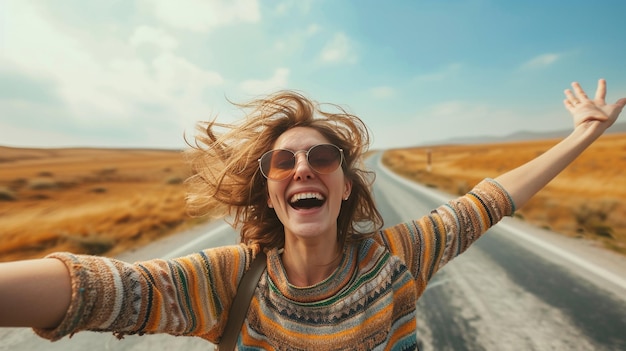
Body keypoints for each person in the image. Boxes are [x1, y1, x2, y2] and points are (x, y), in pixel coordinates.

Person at [0, 79, 624, 350]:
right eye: (284, 161)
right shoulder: (228, 280)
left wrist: (584, 136)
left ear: (346, 185)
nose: (304, 167)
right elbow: (104, 288)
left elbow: (489, 201)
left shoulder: (400, 255)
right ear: (270, 191)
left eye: (323, 156)